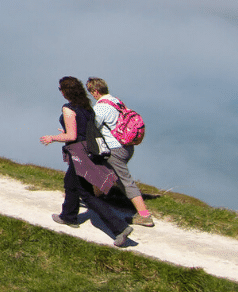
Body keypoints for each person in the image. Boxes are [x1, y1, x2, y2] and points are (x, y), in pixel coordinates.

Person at [42, 76, 134, 248]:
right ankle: (68, 216)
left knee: (86, 194)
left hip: (79, 153)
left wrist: (52, 138)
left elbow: (72, 136)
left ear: (65, 92)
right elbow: (84, 131)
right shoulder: (86, 107)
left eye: (60, 89)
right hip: (89, 151)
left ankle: (120, 228)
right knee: (70, 183)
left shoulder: (68, 109)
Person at [87, 77, 155, 227]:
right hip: (127, 146)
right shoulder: (116, 101)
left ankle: (144, 215)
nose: (91, 95)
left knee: (124, 181)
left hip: (114, 150)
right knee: (97, 168)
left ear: (95, 91)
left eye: (91, 92)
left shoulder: (101, 108)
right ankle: (98, 199)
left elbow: (91, 128)